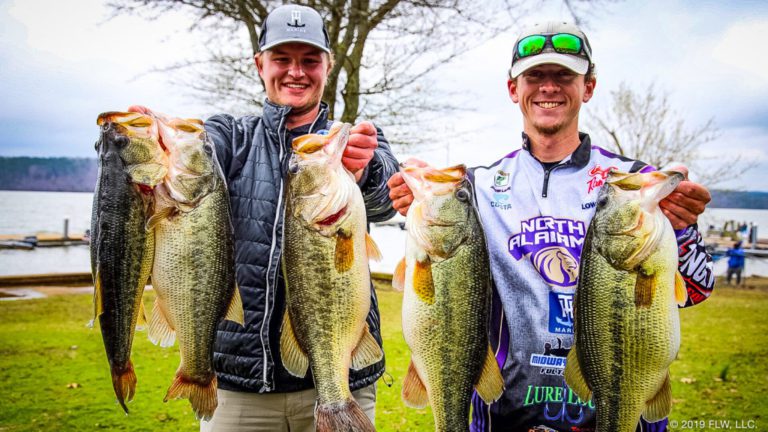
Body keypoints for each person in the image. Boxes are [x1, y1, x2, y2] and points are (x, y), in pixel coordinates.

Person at [387, 21, 715, 432]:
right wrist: (409, 192)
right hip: (504, 413)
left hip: (613, 407)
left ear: (588, 87)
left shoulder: (633, 185)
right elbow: (431, 244)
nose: (548, 87)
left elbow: (698, 289)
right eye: (534, 76)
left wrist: (683, 228)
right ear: (513, 89)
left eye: (564, 75)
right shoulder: (477, 187)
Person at [133, 4, 398, 431]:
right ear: (260, 65)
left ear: (328, 67)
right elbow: (196, 151)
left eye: (310, 60)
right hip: (238, 387)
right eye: (282, 59)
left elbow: (386, 198)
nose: (296, 72)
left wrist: (366, 170)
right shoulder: (231, 136)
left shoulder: (353, 140)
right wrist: (149, 143)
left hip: (339, 378)